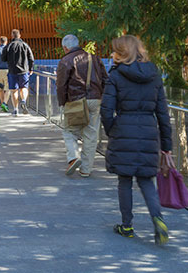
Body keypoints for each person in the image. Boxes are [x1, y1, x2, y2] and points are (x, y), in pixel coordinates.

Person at [101, 34, 171, 246]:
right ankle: (158, 220)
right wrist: (166, 146)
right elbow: (163, 114)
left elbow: (106, 111)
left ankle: (127, 225)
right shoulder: (154, 75)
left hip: (123, 130)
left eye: (114, 50)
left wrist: (112, 130)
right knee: (146, 180)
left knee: (124, 180)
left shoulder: (115, 76)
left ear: (122, 53)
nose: (112, 54)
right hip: (149, 132)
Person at [57, 34, 107, 178]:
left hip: (75, 101)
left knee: (69, 130)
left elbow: (61, 85)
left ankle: (73, 157)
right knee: (91, 135)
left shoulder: (66, 60)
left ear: (65, 47)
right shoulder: (95, 58)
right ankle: (86, 169)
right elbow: (105, 79)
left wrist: (62, 102)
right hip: (95, 99)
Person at [3, 29, 35, 116]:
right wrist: (31, 68)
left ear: (12, 36)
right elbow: (31, 58)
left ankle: (15, 110)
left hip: (12, 71)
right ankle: (23, 100)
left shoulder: (9, 46)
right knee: (24, 87)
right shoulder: (25, 45)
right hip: (24, 71)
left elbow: (3, 58)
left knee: (14, 91)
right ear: (19, 35)